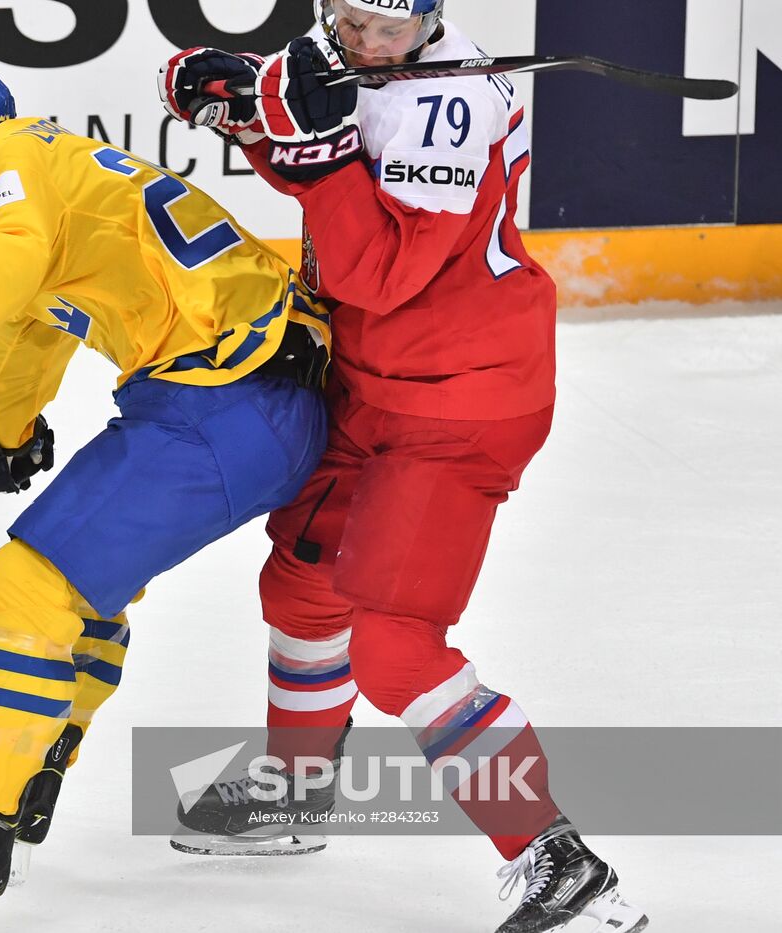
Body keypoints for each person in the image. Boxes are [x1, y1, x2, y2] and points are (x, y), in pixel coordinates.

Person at [0, 57, 332, 932]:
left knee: (33, 585)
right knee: (83, 596)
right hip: (250, 398)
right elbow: (24, 320)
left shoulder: (6, 167)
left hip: (229, 399)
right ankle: (23, 794)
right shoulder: (47, 176)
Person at [158, 2, 649, 932]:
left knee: (392, 643)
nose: (364, 46)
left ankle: (554, 852)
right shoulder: (337, 48)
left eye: (386, 31)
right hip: (372, 381)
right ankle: (296, 790)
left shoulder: (447, 113)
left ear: (427, 21)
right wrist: (233, 104)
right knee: (302, 581)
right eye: (348, 22)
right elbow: (309, 141)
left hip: (463, 399)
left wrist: (313, 150)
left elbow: (371, 272)